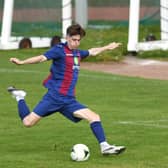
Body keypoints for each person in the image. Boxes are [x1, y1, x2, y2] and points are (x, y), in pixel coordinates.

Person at [8, 24, 126, 155]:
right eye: (74, 40)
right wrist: (22, 62)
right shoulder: (59, 50)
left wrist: (107, 47)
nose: (76, 43)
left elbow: (92, 51)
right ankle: (20, 97)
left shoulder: (77, 53)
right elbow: (41, 58)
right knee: (27, 123)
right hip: (54, 98)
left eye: (78, 40)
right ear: (67, 37)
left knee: (94, 117)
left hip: (69, 100)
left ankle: (105, 147)